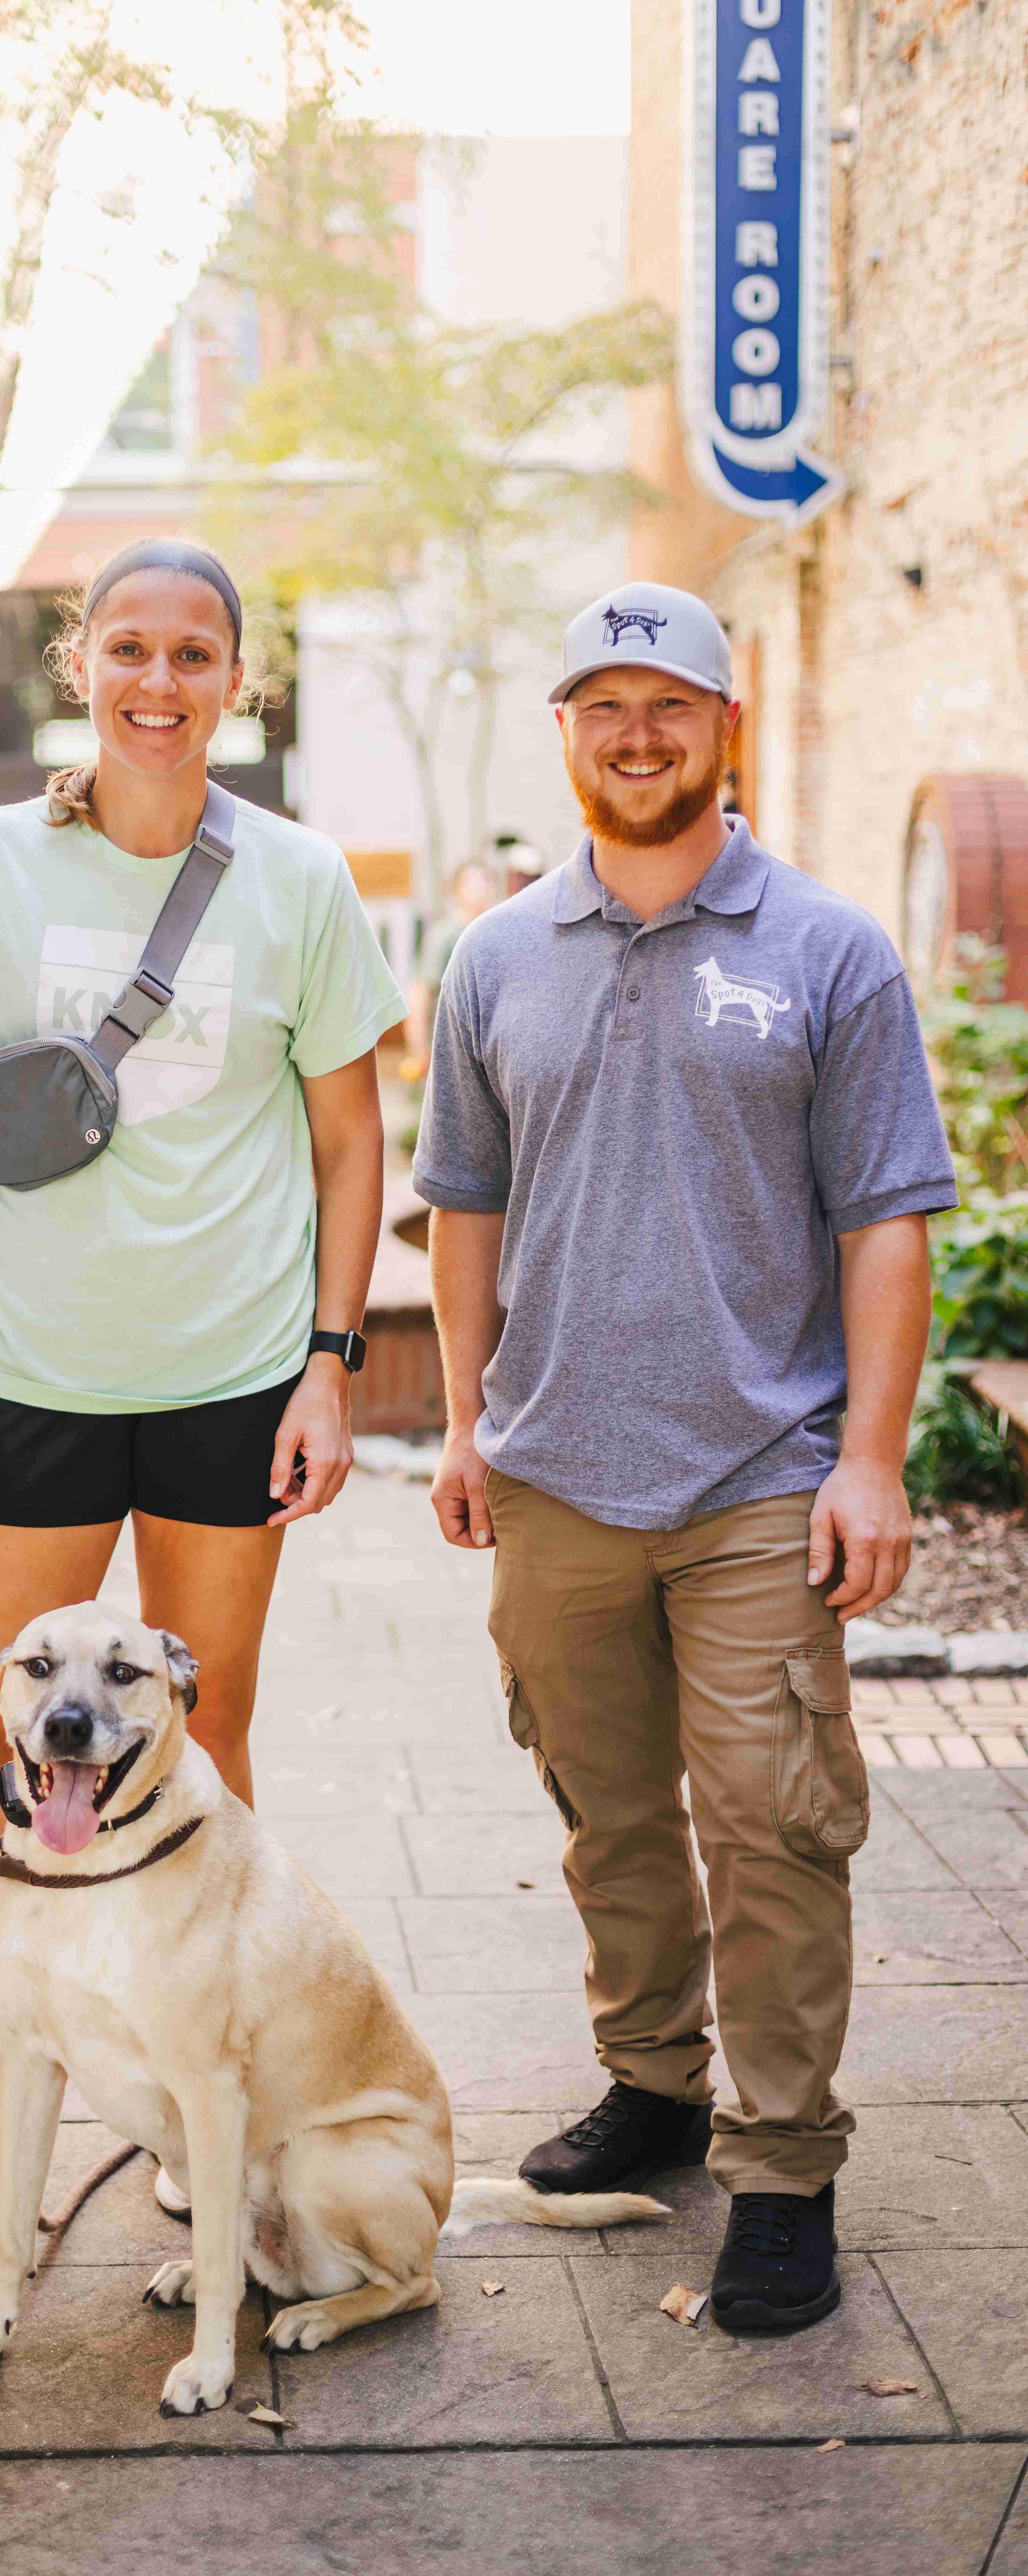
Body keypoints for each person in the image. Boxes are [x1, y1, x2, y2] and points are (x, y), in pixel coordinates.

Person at [0, 537, 405, 2268]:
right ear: (77, 663)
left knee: (200, 1741)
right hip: (35, 1366)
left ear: (236, 681)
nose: (158, 683)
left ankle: (183, 2102)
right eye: (128, 649)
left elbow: (343, 1132)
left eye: (193, 656)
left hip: (233, 1377)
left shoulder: (300, 880)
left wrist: (329, 1363)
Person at [415, 580, 958, 2334]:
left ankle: (780, 2164)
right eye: (601, 707)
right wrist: (469, 1418)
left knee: (774, 1826)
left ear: (724, 727)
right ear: (564, 733)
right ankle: (651, 2083)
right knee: (607, 1822)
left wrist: (865, 1461)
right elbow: (465, 1207)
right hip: (558, 1471)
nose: (634, 735)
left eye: (668, 704)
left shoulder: (823, 948)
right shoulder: (496, 955)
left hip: (756, 1475)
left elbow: (885, 1220)